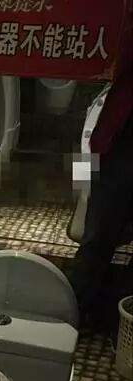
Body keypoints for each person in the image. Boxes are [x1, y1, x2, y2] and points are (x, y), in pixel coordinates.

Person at [68, 11, 133, 340]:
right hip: (116, 138)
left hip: (113, 139)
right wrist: (82, 190)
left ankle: (101, 316)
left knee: (96, 236)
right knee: (96, 236)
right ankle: (79, 313)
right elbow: (87, 148)